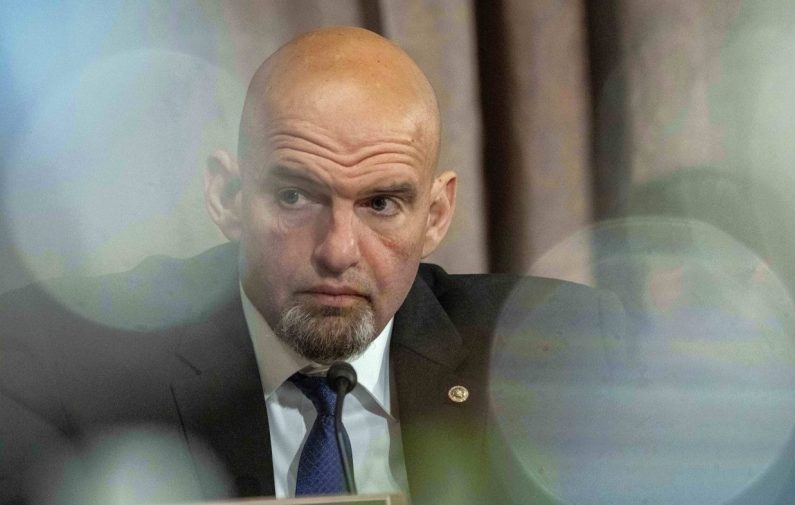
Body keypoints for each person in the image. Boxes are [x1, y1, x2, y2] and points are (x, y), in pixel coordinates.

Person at [0, 27, 617, 504]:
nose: (338, 249)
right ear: (228, 198)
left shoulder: (557, 351)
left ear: (435, 215)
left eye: (381, 203)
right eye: (295, 197)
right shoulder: (61, 366)